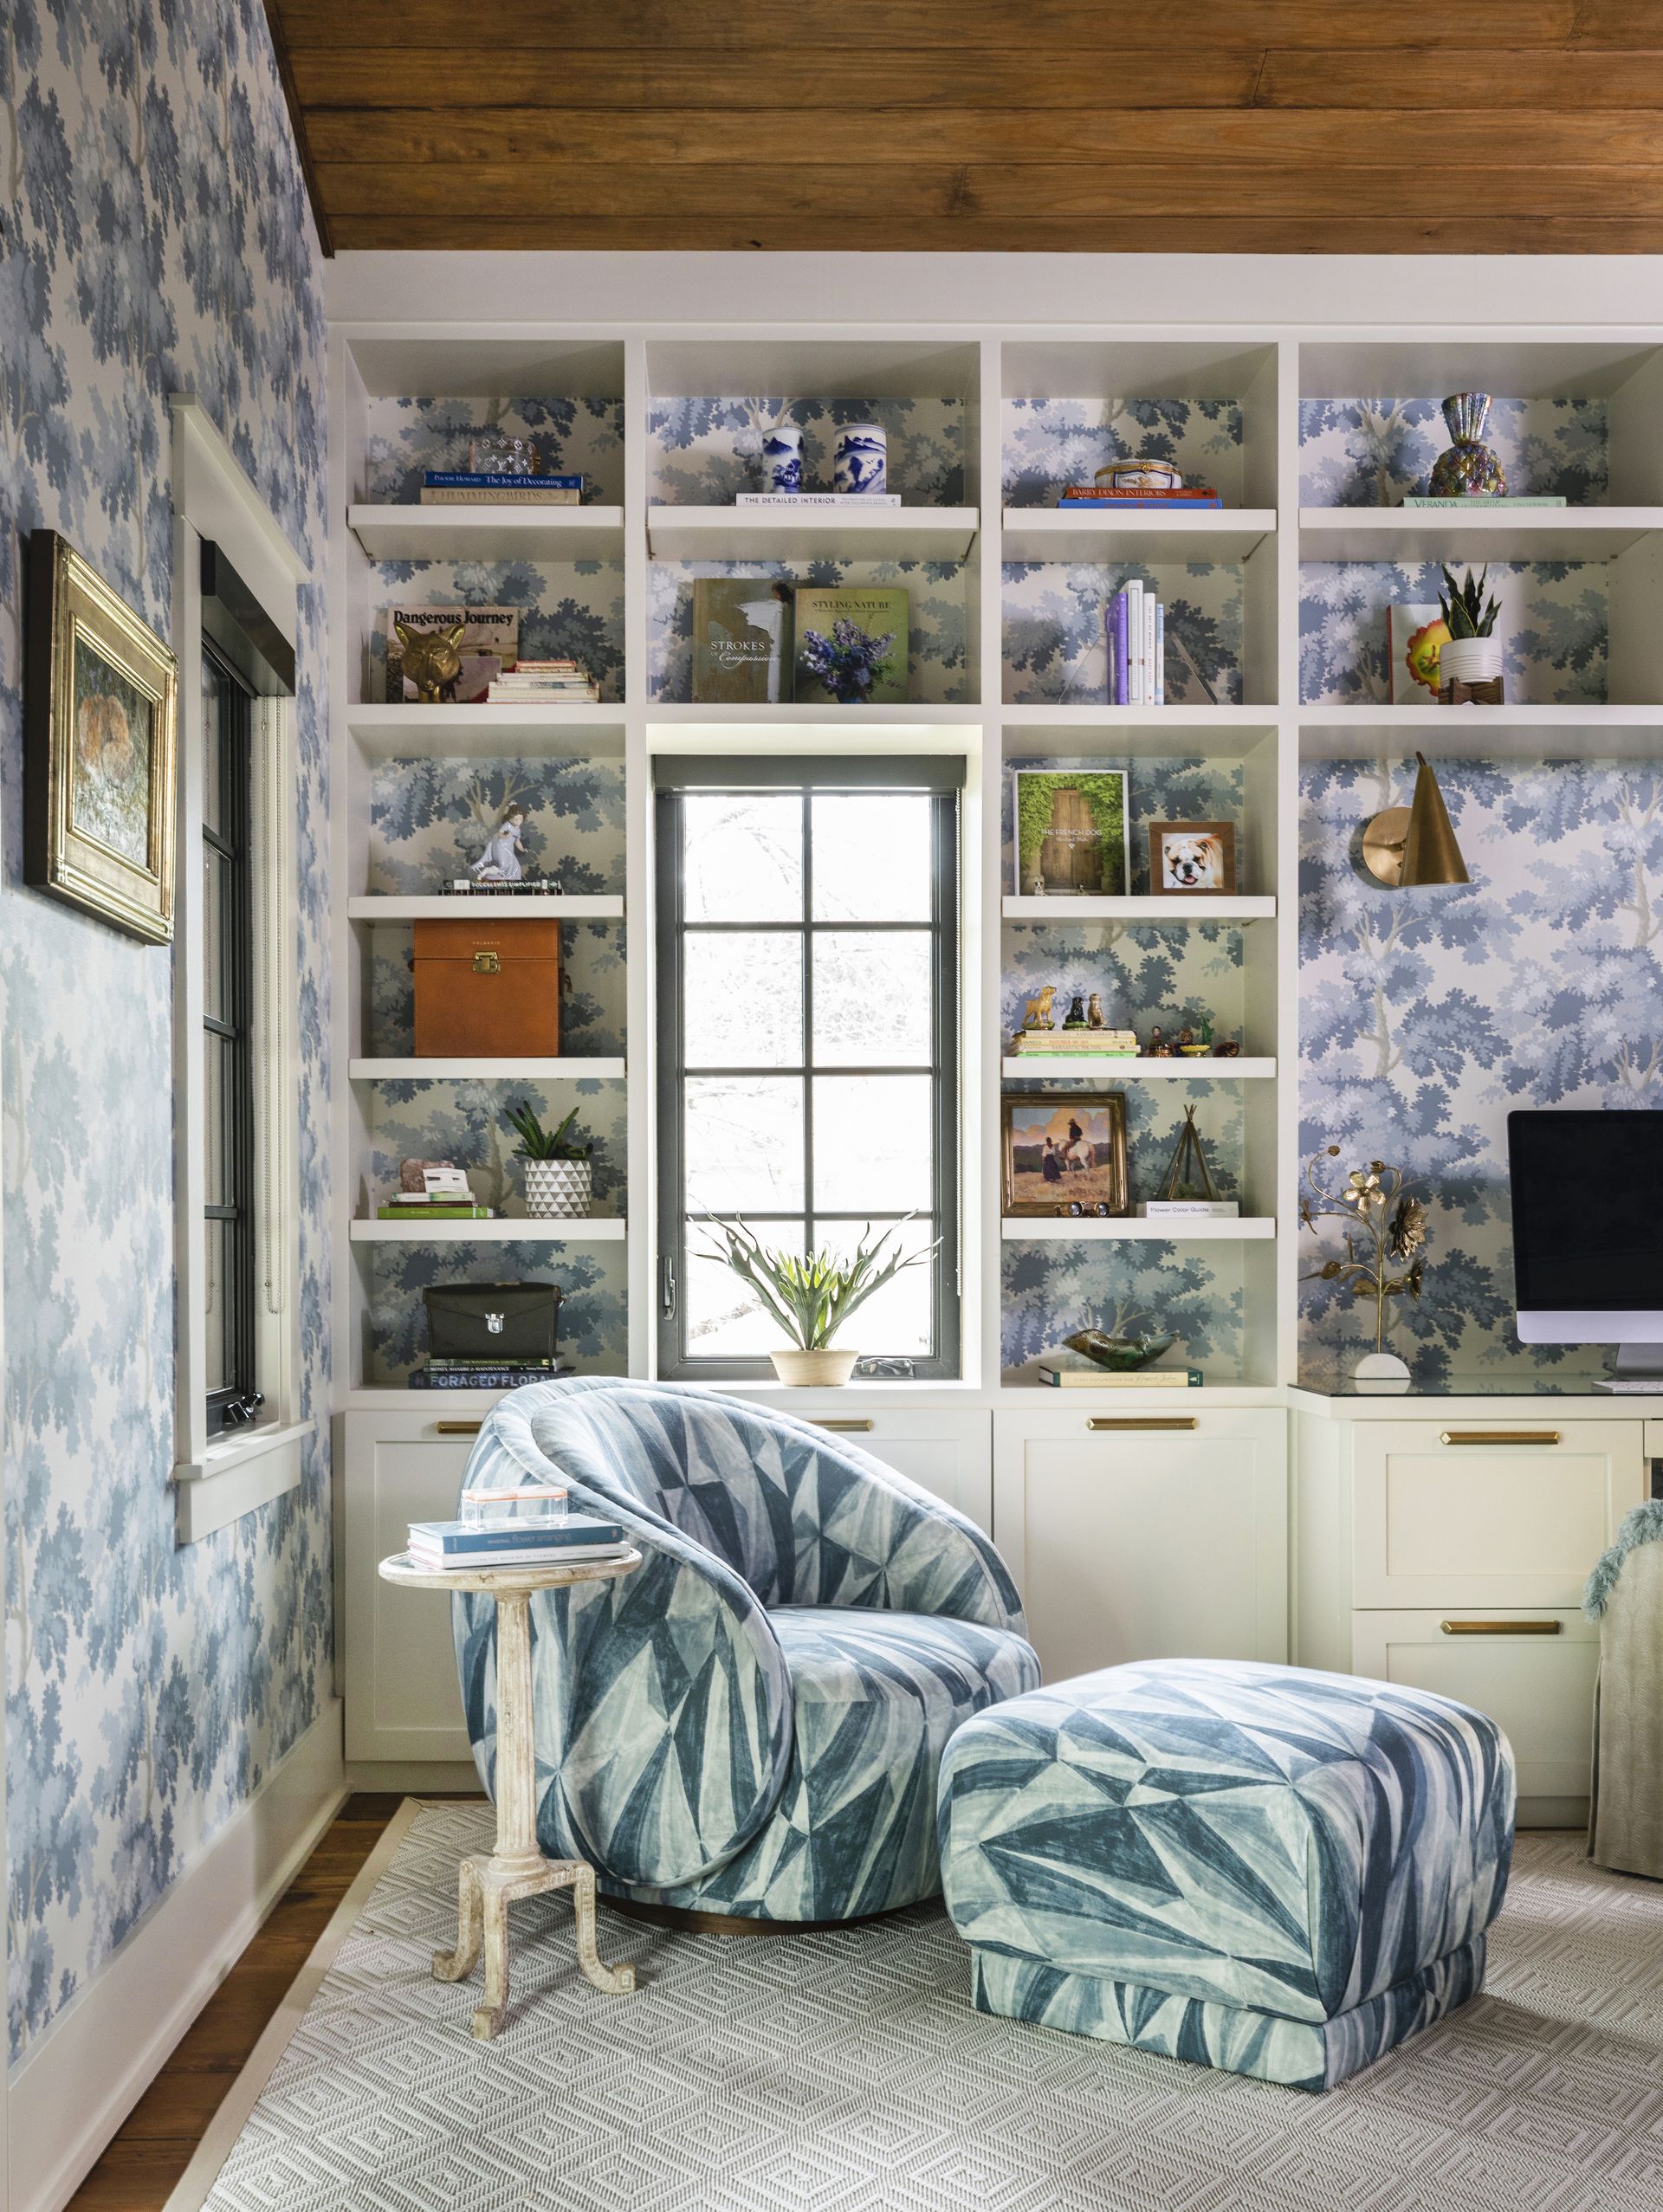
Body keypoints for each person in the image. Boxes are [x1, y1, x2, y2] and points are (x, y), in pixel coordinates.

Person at [472, 805, 527, 883]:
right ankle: (485, 872)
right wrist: (506, 836)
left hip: (509, 849)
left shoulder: (518, 830)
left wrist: (522, 849)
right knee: (503, 864)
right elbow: (500, 834)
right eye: (516, 820)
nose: (518, 822)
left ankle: (502, 877)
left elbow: (517, 841)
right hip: (501, 846)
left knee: (513, 866)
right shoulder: (507, 825)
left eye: (520, 819)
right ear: (510, 819)